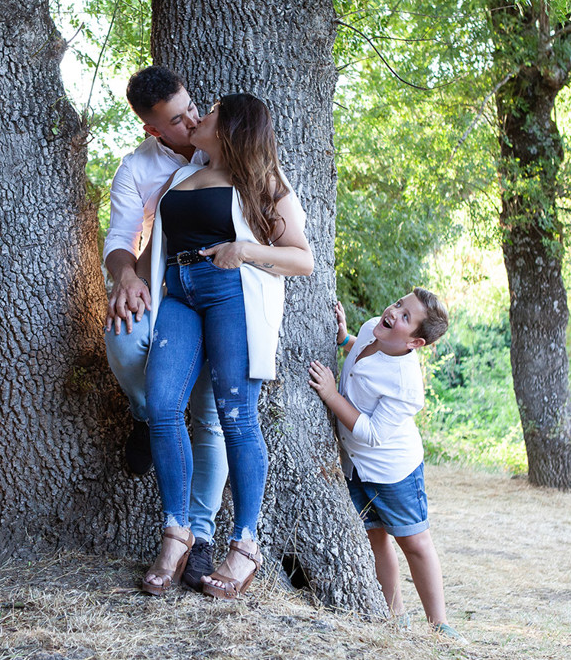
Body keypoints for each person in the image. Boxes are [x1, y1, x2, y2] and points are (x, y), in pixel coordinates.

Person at [138, 93, 313, 599]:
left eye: (210, 111)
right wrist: (130, 275)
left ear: (232, 127)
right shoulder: (180, 177)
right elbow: (157, 246)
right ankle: (178, 530)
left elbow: (303, 259)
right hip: (179, 292)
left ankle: (246, 542)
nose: (200, 116)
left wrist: (245, 249)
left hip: (230, 292)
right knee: (162, 405)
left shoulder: (263, 183)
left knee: (237, 414)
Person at [102, 66, 229, 589]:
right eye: (178, 120)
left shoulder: (222, 141)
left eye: (192, 107)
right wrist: (127, 275)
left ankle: (199, 538)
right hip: (163, 289)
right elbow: (119, 238)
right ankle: (147, 413)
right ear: (153, 129)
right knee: (124, 335)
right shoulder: (137, 168)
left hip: (218, 293)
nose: (194, 119)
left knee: (211, 415)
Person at [307, 290, 465, 640]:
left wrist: (331, 395)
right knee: (374, 537)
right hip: (355, 467)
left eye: (406, 317)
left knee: (414, 542)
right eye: (398, 304)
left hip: (394, 472)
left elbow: (373, 434)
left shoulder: (406, 384)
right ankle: (396, 615)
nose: (393, 312)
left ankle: (439, 624)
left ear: (415, 342)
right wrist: (344, 338)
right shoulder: (370, 329)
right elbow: (361, 358)